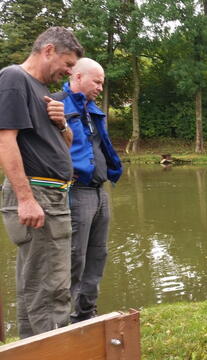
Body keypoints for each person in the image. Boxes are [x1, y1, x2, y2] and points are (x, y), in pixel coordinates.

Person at [0, 27, 83, 338]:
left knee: (36, 284)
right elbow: (5, 140)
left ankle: (31, 349)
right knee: (52, 287)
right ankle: (55, 351)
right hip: (38, 193)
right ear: (48, 50)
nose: (69, 71)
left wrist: (61, 123)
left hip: (52, 195)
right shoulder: (14, 78)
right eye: (68, 62)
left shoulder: (43, 90)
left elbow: (65, 144)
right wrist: (25, 198)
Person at [50, 58, 122, 323]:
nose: (100, 88)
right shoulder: (55, 103)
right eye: (97, 81)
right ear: (77, 77)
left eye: (102, 83)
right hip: (75, 191)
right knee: (74, 258)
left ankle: (87, 314)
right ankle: (62, 320)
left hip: (99, 191)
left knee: (97, 255)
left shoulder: (92, 109)